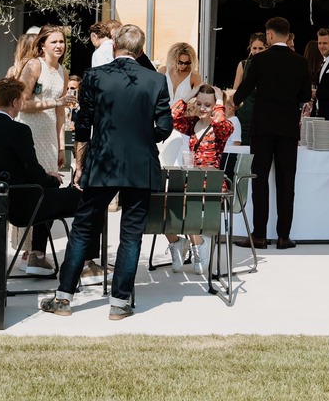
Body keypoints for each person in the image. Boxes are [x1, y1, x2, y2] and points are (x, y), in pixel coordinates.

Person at [40, 24, 171, 320]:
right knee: (131, 233)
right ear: (140, 51)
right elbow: (164, 126)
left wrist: (81, 162)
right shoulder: (155, 80)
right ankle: (120, 303)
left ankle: (63, 298)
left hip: (101, 160)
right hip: (141, 164)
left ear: (114, 48)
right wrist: (143, 137)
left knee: (84, 228)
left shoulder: (95, 77)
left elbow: (83, 125)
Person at [0, 77, 84, 277]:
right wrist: (52, 178)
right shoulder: (19, 130)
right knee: (85, 200)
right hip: (24, 205)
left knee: (49, 191)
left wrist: (46, 177)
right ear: (16, 102)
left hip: (4, 201)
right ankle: (85, 264)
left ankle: (38, 256)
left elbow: (26, 170)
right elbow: (34, 173)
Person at [233, 18, 311, 250]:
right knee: (287, 182)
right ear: (287, 36)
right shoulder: (300, 61)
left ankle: (259, 235)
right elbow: (305, 95)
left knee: (260, 180)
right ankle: (284, 237)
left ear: (269, 35)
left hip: (263, 127)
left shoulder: (259, 59)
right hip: (287, 128)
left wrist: (234, 102)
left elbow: (244, 90)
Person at [165, 84, 234, 273]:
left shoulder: (223, 126)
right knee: (162, 204)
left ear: (216, 106)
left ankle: (199, 244)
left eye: (208, 105)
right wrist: (189, 96)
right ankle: (178, 242)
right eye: (200, 103)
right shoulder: (192, 123)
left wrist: (220, 102)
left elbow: (220, 123)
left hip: (211, 184)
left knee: (186, 202)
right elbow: (170, 117)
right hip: (192, 181)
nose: (203, 108)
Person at [17, 25, 75, 174]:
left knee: (50, 179)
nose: (59, 46)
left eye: (61, 42)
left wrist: (61, 146)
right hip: (30, 132)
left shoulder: (64, 72)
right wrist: (55, 102)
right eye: (54, 42)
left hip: (50, 136)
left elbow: (61, 113)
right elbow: (21, 104)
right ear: (43, 44)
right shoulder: (34, 65)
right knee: (31, 180)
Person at [230, 32, 267, 132]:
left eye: (260, 48)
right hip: (244, 117)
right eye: (254, 48)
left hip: (263, 117)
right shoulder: (243, 65)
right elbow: (234, 92)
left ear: (267, 49)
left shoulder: (270, 67)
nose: (257, 51)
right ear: (250, 48)